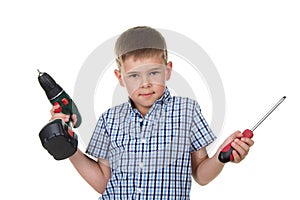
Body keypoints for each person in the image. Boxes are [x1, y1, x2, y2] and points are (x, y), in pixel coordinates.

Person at [50, 26, 254, 199]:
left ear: (168, 70)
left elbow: (200, 175)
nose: (145, 83)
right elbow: (104, 183)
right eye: (134, 75)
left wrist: (220, 157)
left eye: (154, 73)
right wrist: (68, 147)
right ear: (120, 77)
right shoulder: (109, 119)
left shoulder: (187, 111)